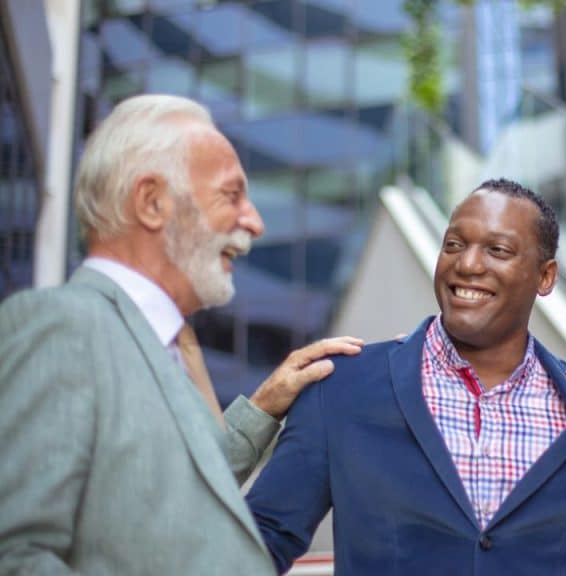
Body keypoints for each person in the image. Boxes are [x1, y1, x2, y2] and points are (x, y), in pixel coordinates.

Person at [0, 94, 362, 575]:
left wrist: (262, 408)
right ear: (152, 203)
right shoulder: (62, 327)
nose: (254, 222)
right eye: (230, 196)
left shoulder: (153, 345)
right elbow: (13, 554)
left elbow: (171, 495)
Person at [246, 178, 566, 575]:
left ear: (545, 276)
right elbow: (258, 543)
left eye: (498, 249)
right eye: (454, 245)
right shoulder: (341, 387)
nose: (468, 264)